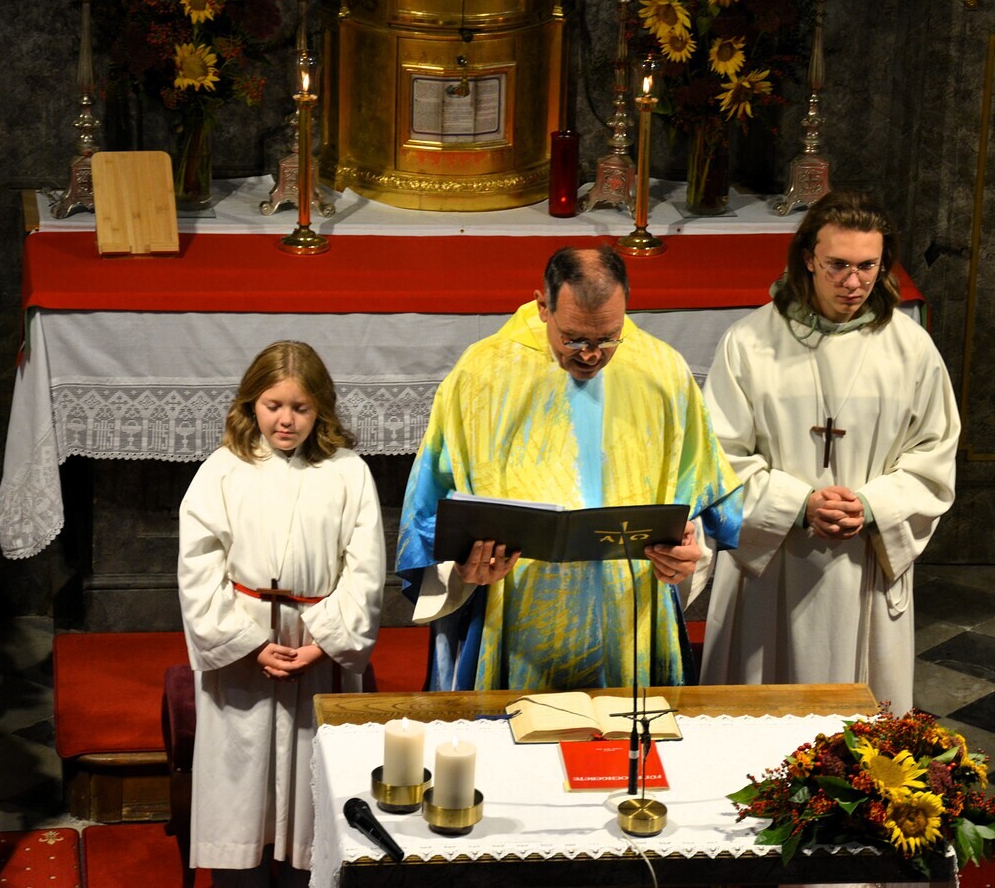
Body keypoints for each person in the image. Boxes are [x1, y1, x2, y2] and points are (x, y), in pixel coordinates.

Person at [396, 244, 742, 692]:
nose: (592, 355)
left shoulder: (663, 371)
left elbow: (701, 495)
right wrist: (461, 570)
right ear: (543, 306)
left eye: (608, 338)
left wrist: (687, 554)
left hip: (629, 620)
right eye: (575, 339)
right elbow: (431, 510)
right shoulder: (482, 375)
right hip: (516, 619)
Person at [699, 190, 960, 715]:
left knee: (860, 740)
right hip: (772, 563)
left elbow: (934, 454)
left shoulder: (910, 348)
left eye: (867, 266)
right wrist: (799, 505)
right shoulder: (750, 343)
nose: (853, 282)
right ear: (807, 259)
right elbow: (718, 457)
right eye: (837, 265)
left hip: (864, 559)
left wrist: (871, 506)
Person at [177, 340, 385, 887]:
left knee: (313, 795)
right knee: (241, 785)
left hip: (316, 644)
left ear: (321, 409)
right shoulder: (223, 469)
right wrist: (246, 644)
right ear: (251, 403)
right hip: (245, 648)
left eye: (300, 407)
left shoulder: (348, 472)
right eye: (273, 406)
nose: (286, 420)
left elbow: (365, 569)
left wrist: (325, 643)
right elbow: (198, 564)